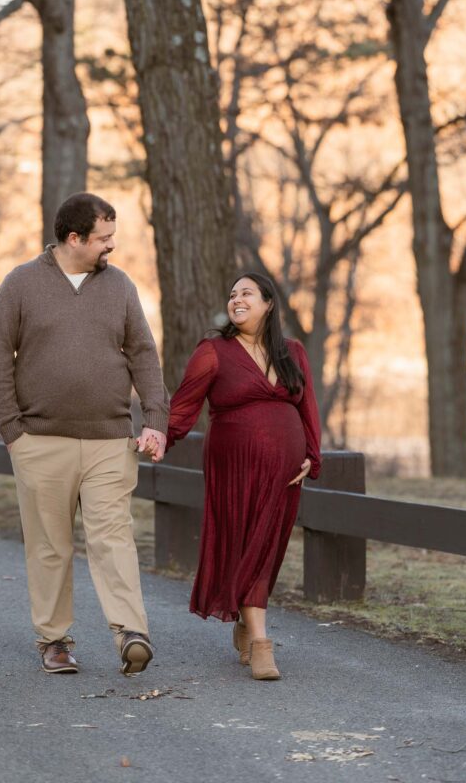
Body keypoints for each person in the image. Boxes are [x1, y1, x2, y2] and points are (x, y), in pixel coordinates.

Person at [0, 192, 168, 676]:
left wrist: (155, 419)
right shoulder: (21, 285)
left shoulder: (120, 287)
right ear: (74, 238)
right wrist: (13, 433)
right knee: (49, 545)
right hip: (40, 441)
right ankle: (55, 640)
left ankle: (130, 632)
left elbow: (143, 355)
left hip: (110, 439)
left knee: (113, 537)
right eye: (103, 238)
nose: (112, 246)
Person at [165, 272, 321, 681]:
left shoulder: (293, 352)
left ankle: (247, 624)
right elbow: (183, 406)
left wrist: (310, 454)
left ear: (268, 303)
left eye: (247, 293)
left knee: (266, 546)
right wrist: (158, 438)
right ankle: (261, 645)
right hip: (232, 467)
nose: (237, 299)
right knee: (244, 545)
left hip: (284, 473)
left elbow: (308, 409)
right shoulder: (214, 350)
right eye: (233, 294)